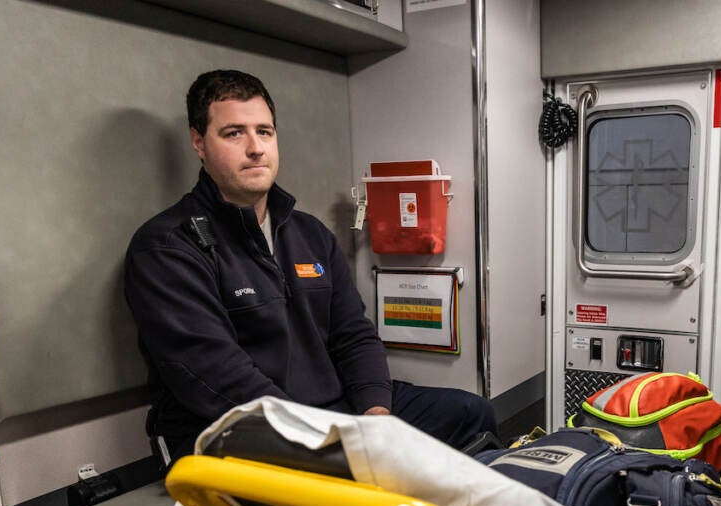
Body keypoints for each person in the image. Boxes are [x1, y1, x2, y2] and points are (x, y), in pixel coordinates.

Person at [125, 69, 497, 467]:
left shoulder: (309, 234)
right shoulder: (167, 248)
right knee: (358, 479)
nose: (255, 148)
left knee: (470, 415)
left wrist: (375, 416)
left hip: (333, 409)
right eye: (234, 133)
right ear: (199, 142)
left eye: (264, 132)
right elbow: (217, 378)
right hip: (236, 432)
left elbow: (353, 335)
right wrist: (324, 437)